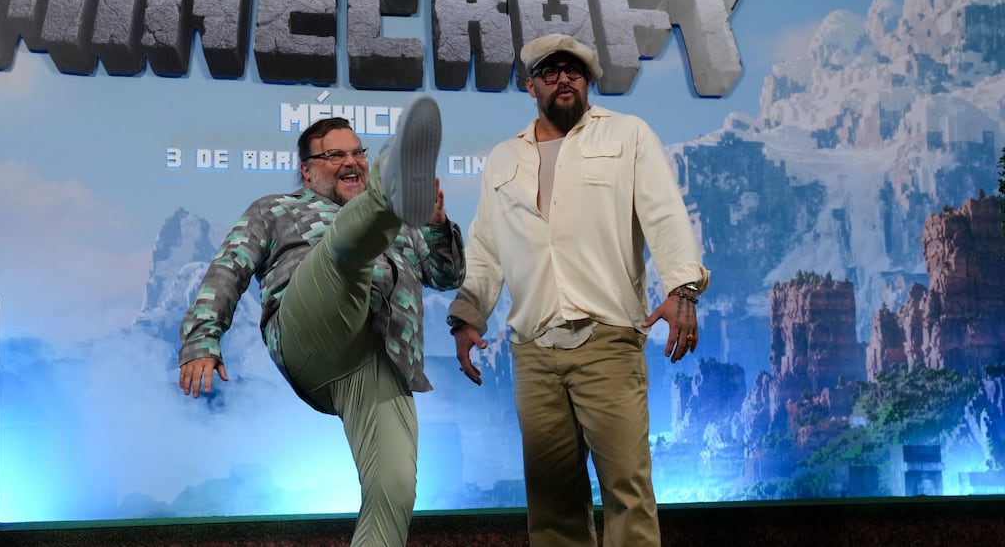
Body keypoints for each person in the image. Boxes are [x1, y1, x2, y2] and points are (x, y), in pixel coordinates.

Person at [446, 33, 709, 547]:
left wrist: (683, 289)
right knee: (552, 507)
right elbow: (486, 247)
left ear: (587, 81)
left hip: (607, 341)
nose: (563, 78)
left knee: (627, 494)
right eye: (550, 72)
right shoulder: (503, 158)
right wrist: (467, 315)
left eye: (575, 70)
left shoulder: (627, 135)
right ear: (531, 86)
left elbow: (664, 213)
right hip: (534, 351)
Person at [178, 97, 464, 547]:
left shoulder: (405, 227)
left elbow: (448, 277)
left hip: (381, 357)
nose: (350, 162)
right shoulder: (274, 209)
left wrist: (434, 223)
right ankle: (389, 183)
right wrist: (201, 340)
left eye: (358, 153)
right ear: (307, 171)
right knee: (344, 251)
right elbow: (227, 270)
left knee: (394, 491)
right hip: (311, 328)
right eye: (334, 155)